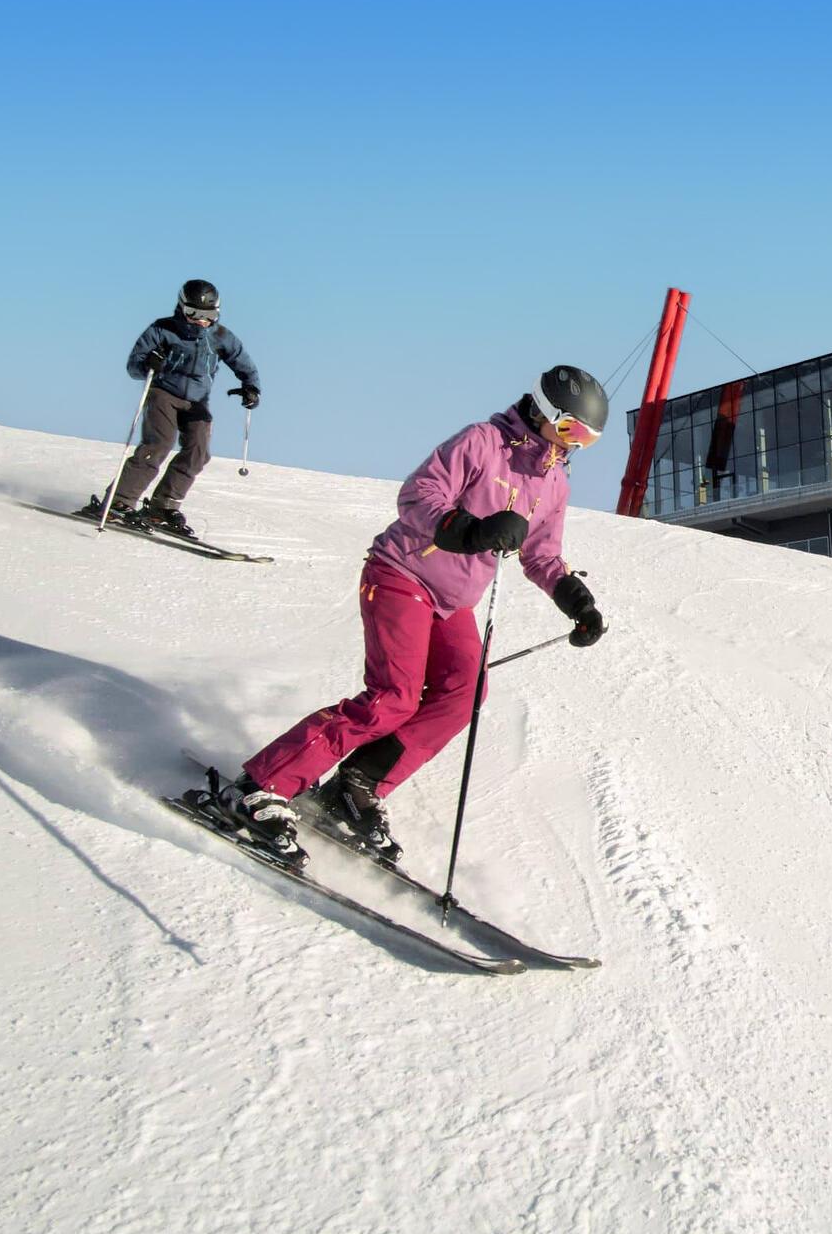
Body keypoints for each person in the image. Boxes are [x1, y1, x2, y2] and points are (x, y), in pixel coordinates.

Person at [214, 365, 610, 863]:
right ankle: (261, 785)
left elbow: (542, 554)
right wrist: (471, 530)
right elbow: (419, 495)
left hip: (453, 602)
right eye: (571, 429)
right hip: (402, 574)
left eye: (587, 439)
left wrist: (576, 599)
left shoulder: (554, 482)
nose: (574, 445)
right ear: (545, 411)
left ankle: (357, 786)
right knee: (394, 698)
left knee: (464, 693)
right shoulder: (483, 442)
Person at [80, 279, 260, 538]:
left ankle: (163, 506)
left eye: (209, 315)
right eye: (194, 313)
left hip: (197, 401)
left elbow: (244, 363)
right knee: (159, 445)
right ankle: (119, 501)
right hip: (164, 393)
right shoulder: (162, 329)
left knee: (198, 452)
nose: (201, 321)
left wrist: (251, 388)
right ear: (181, 307)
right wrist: (149, 364)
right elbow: (134, 366)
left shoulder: (221, 336)